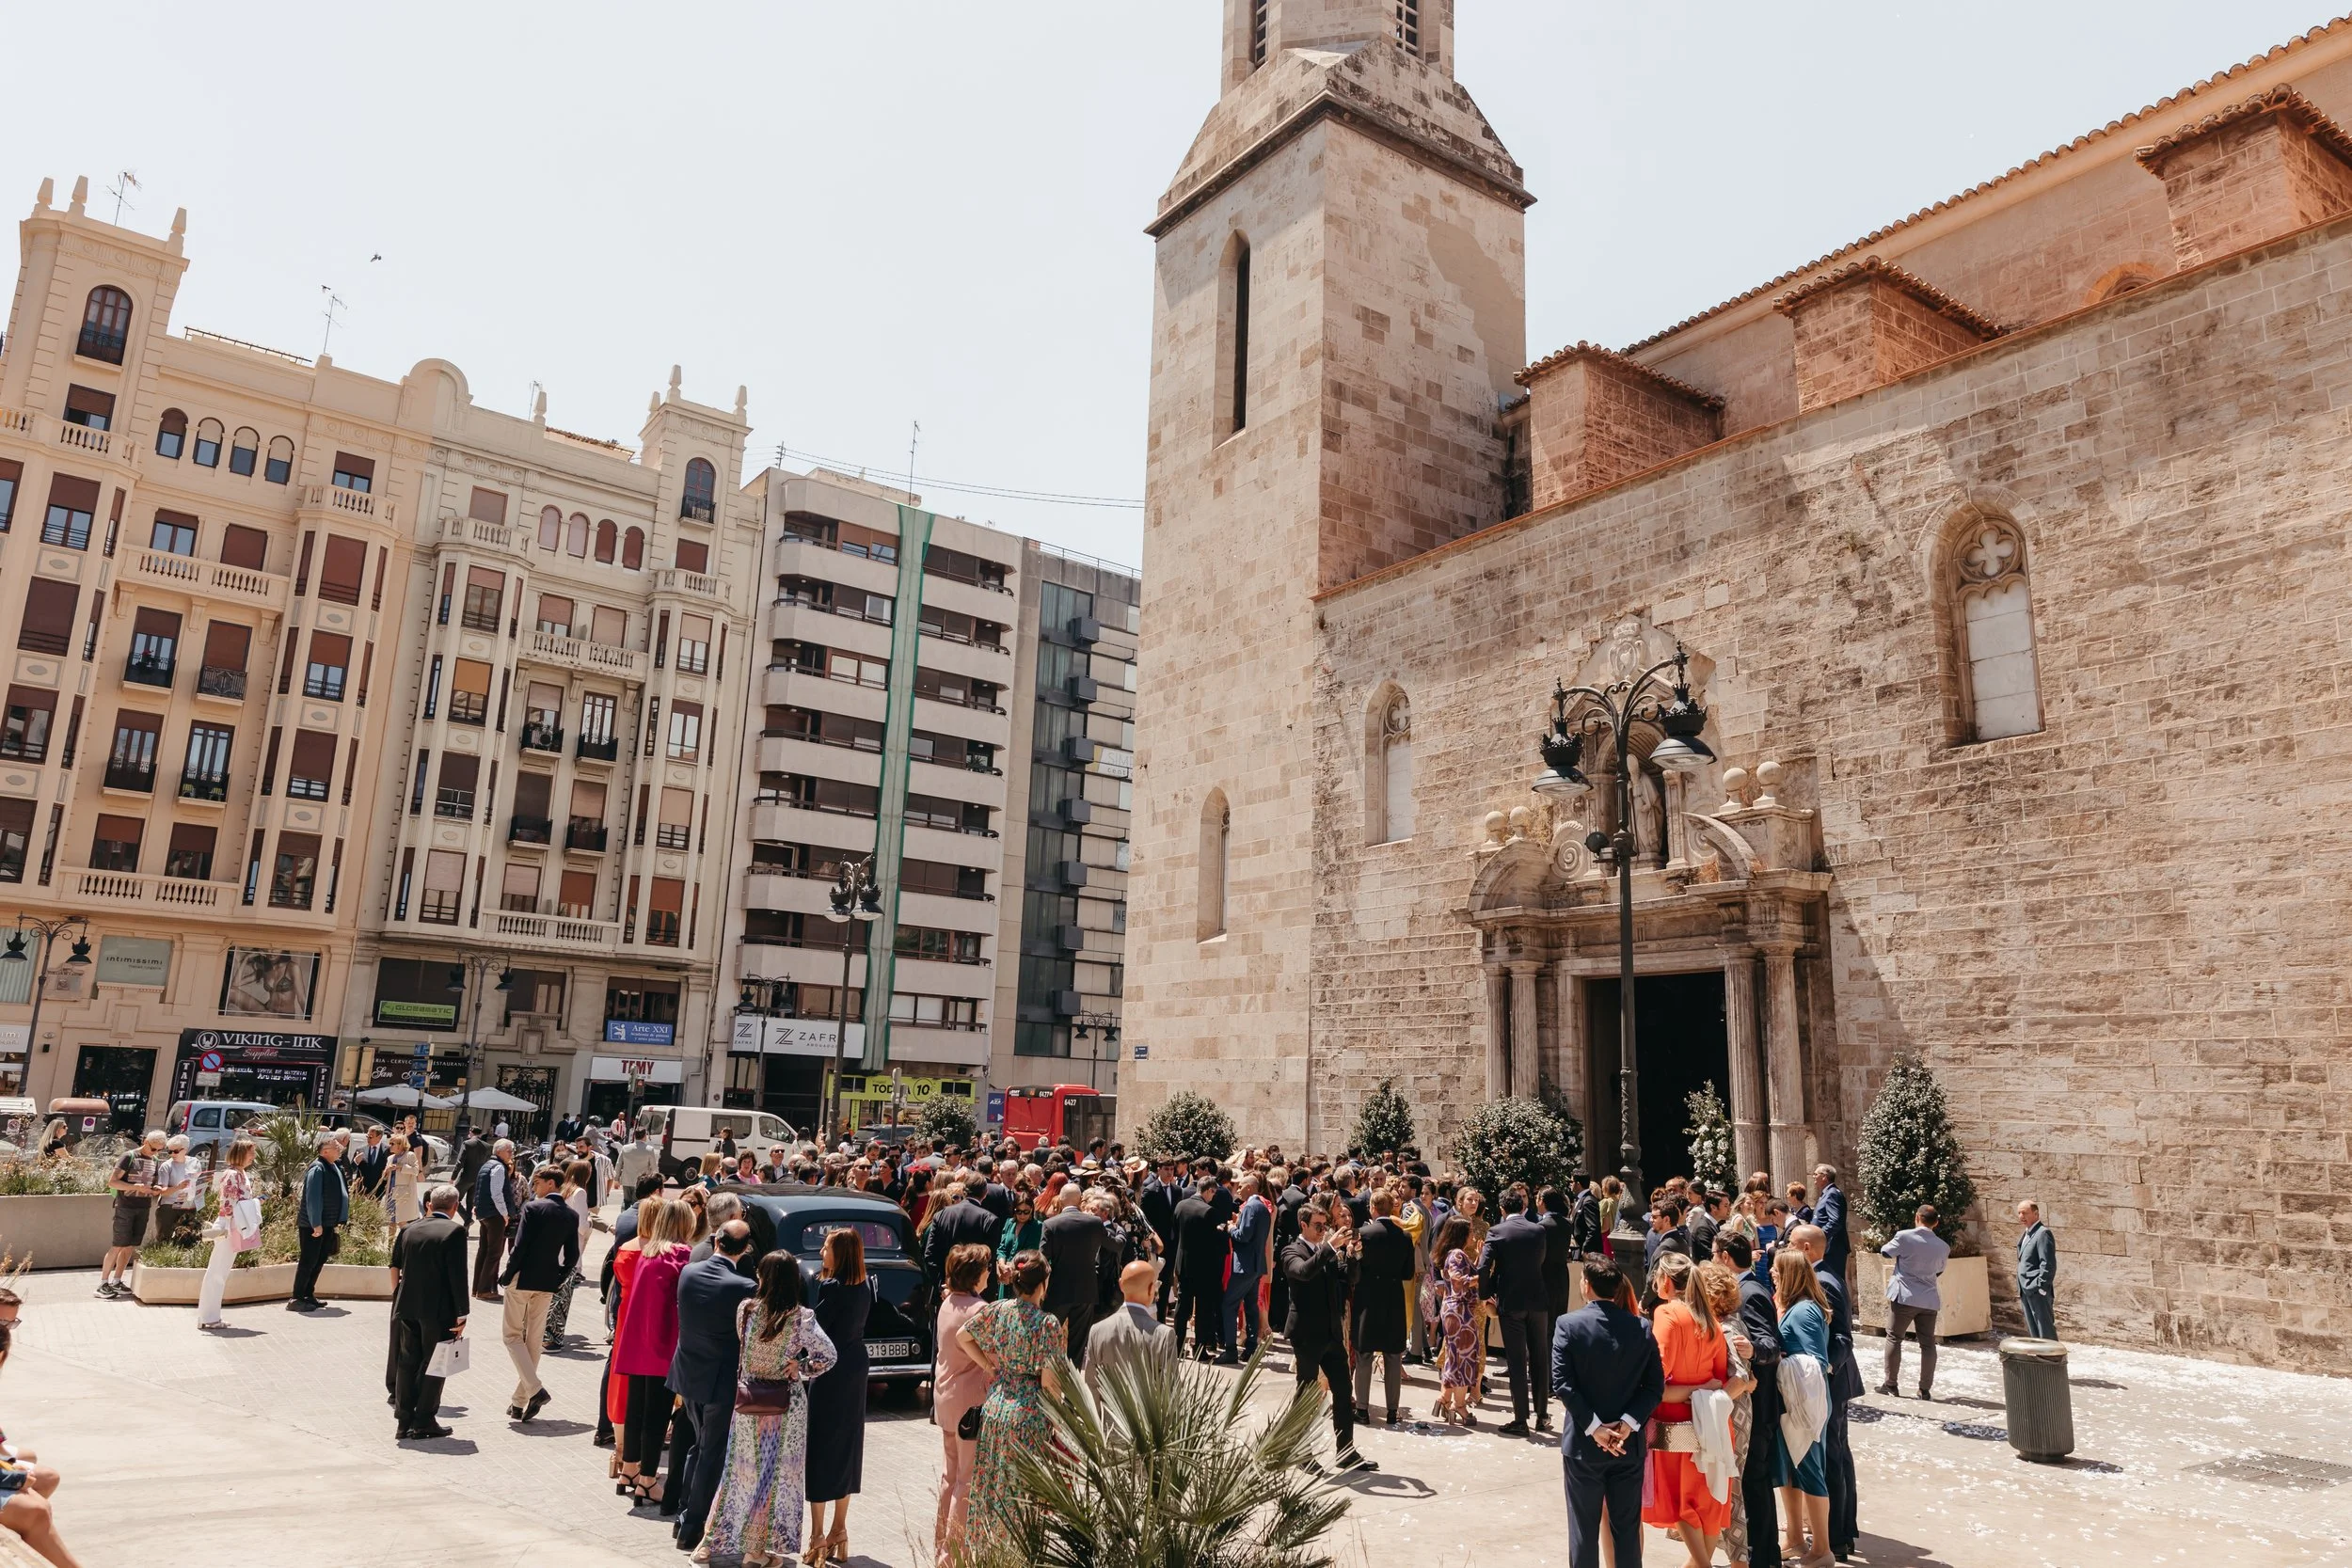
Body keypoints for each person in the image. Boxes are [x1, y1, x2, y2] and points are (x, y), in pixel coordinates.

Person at [692, 1250, 836, 1566]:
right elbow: (829, 1355)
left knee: (737, 1472)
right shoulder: (802, 1317)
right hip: (785, 1408)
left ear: (765, 1277)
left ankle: (708, 1543)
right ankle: (756, 1552)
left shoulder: (746, 1310)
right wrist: (799, 1368)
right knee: (774, 1478)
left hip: (748, 1401)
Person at [1550, 1258, 1665, 1568]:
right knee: (1627, 1532)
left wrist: (1594, 1427)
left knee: (1583, 1532)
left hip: (1584, 1447)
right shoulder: (1641, 1327)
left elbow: (1562, 1383)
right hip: (1628, 1446)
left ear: (1586, 1285)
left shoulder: (1568, 1324)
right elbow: (1655, 1387)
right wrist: (1628, 1424)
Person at [957, 1250, 1065, 1559]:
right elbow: (1048, 1382)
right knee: (1020, 1493)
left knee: (993, 1486)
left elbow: (963, 1336)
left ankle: (989, 1553)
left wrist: (989, 1366)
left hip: (996, 1408)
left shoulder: (999, 1309)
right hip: (1028, 1414)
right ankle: (1016, 1556)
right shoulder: (1048, 1325)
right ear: (1043, 1284)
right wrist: (1058, 1421)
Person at [668, 1219, 759, 1553]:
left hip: (689, 1372)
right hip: (719, 1381)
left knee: (698, 1446)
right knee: (710, 1453)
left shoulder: (689, 1272)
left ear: (716, 1241)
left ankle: (683, 1516)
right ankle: (692, 1529)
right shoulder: (744, 1286)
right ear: (746, 1249)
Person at [1643, 1252, 1736, 1566]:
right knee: (1708, 1503)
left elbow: (1657, 1373)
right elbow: (1721, 1376)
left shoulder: (1668, 1313)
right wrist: (1698, 1389)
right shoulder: (1709, 1318)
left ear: (1666, 1281)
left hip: (1673, 1424)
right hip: (1710, 1420)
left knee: (1676, 1501)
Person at [1282, 1199, 1375, 1472]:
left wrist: (1355, 1255)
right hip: (1307, 1334)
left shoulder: (1328, 1251)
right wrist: (1330, 1247)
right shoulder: (1292, 1250)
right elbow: (1303, 1272)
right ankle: (1301, 1452)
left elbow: (1350, 1279)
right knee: (1307, 1394)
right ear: (1303, 1225)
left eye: (1325, 1226)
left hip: (1332, 1333)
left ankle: (1345, 1451)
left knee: (1344, 1391)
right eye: (1318, 1226)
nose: (1324, 1230)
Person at [614, 1197, 691, 1504]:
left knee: (636, 1409)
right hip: (663, 1343)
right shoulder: (681, 1255)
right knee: (657, 1414)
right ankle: (647, 1478)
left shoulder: (648, 1253)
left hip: (638, 1342)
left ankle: (629, 1469)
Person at [1791, 1222, 1861, 1560]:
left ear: (1806, 1249)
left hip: (1832, 1382)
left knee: (1833, 1456)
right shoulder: (1823, 1277)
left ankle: (1836, 1536)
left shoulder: (1824, 1281)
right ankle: (1843, 1532)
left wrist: (1822, 1371)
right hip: (1832, 1382)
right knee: (1838, 1453)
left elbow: (1843, 1339)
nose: (1785, 1248)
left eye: (1791, 1244)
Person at [805, 1227, 873, 1561]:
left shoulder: (830, 1288)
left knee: (820, 1445)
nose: (821, 1253)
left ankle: (818, 1535)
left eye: (826, 1248)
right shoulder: (866, 1286)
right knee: (847, 1443)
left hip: (830, 1369)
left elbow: (816, 1335)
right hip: (856, 1364)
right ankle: (840, 1528)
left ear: (840, 1254)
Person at [1719, 1233, 1783, 1568]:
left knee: (1755, 1483)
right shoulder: (1745, 1291)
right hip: (1753, 1406)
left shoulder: (1750, 1293)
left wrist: (1753, 1350)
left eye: (1715, 1255)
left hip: (1759, 1407)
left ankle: (1763, 1557)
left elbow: (1772, 1345)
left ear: (1727, 1257)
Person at [389, 1183, 469, 1441]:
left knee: (407, 1361)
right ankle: (424, 1419)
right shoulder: (454, 1231)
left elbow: (398, 1267)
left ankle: (403, 1421)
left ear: (430, 1205)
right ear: (455, 1207)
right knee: (436, 1364)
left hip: (407, 1307)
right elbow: (458, 1276)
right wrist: (462, 1313)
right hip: (439, 1311)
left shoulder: (409, 1229)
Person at [499, 1165, 580, 1421]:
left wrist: (507, 1273)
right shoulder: (571, 1215)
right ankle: (520, 1400)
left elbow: (520, 1247)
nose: (534, 1187)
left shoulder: (533, 1208)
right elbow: (572, 1255)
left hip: (523, 1278)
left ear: (552, 1184)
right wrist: (560, 1277)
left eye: (537, 1182)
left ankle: (534, 1389)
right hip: (547, 1282)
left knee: (512, 1336)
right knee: (533, 1341)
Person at [932, 1243, 996, 1566]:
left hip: (946, 1398)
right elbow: (994, 1356)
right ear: (975, 1274)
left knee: (950, 1476)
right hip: (970, 1404)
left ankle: (941, 1548)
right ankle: (954, 1555)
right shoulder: (979, 1310)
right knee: (966, 1479)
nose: (990, 1272)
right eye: (986, 1268)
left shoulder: (947, 1303)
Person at [1773, 1251, 1835, 1568]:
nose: (1772, 1273)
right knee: (1792, 1473)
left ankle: (1822, 1549)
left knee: (1810, 1473)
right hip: (1794, 1405)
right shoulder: (1798, 1308)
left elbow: (1817, 1363)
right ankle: (1795, 1537)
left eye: (1777, 1270)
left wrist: (1780, 1361)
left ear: (1790, 1275)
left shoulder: (1805, 1311)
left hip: (1804, 1408)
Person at [1479, 1188, 1554, 1436]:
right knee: (1540, 1357)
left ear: (1502, 1209)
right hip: (1538, 1299)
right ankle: (1542, 1415)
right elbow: (1541, 1261)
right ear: (1523, 1208)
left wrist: (1486, 1293)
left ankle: (1520, 1418)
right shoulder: (1538, 1229)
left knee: (1517, 1360)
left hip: (1511, 1301)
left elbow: (1484, 1266)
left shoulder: (1497, 1232)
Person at [1350, 1186, 1415, 1426]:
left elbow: (1353, 1269)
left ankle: (1363, 1410)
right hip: (1393, 1298)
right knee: (1392, 1356)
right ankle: (1392, 1411)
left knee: (1364, 1354)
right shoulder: (1405, 1237)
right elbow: (1408, 1273)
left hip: (1367, 1297)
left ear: (1372, 1208)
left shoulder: (1362, 1234)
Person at [1878, 1204, 1950, 1398]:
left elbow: (1885, 1251)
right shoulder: (1943, 1246)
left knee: (1894, 1337)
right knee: (1928, 1344)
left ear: (1917, 1217)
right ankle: (1924, 1389)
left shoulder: (1904, 1236)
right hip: (1928, 1298)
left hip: (1904, 1295)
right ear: (1936, 1223)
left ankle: (1891, 1384)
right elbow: (1939, 1270)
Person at [1086, 1258, 1177, 1397]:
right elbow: (1170, 1390)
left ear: (1121, 1285)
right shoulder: (1163, 1335)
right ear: (1151, 1289)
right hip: (1147, 1419)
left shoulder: (1097, 1331)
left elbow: (1092, 1385)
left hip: (1108, 1417)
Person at [1041, 1185, 1110, 1365]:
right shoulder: (1094, 1223)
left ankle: (1048, 1383)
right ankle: (1073, 1388)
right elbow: (1114, 1244)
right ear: (1080, 1200)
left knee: (1048, 1340)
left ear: (1060, 1199)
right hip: (1085, 1290)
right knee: (1078, 1345)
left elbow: (1042, 1259)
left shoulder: (1051, 1224)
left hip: (1058, 1290)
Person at [197, 1136, 261, 1331]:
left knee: (220, 1271)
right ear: (241, 1154)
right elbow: (228, 1204)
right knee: (217, 1271)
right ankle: (208, 1316)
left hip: (234, 1224)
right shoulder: (233, 1175)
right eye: (251, 1153)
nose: (253, 1157)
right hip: (230, 1225)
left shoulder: (239, 1174)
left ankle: (210, 1315)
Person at [100, 1131, 167, 1298]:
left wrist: (156, 1188)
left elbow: (154, 1182)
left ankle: (117, 1280)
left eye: (159, 1150)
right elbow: (113, 1182)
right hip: (125, 1206)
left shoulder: (155, 1160)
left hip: (143, 1207)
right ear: (145, 1141)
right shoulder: (129, 1156)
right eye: (153, 1149)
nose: (155, 1153)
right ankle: (103, 1283)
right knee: (118, 1245)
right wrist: (136, 1187)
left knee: (130, 1246)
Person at [1171, 1175, 1229, 1360]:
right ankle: (1200, 1348)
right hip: (1204, 1268)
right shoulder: (1209, 1211)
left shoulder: (1181, 1205)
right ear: (1209, 1191)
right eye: (1213, 1193)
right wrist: (1223, 1231)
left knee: (1182, 1306)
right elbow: (1216, 1242)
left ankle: (1178, 1345)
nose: (1213, 1196)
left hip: (1184, 1264)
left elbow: (1175, 1232)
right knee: (1204, 1309)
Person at [291, 1132, 349, 1311]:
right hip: (313, 1225)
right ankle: (297, 1298)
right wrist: (316, 1223)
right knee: (308, 1261)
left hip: (327, 1223)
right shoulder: (318, 1168)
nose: (339, 1149)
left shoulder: (332, 1166)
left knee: (319, 1259)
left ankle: (308, 1294)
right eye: (335, 1147)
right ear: (324, 1151)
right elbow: (313, 1198)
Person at [1430, 1215, 1480, 1425]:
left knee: (1453, 1356)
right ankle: (1460, 1406)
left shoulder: (1452, 1254)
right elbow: (1459, 1282)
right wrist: (1482, 1277)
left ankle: (1444, 1399)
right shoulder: (1457, 1254)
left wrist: (1477, 1263)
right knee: (1464, 1358)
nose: (1472, 1235)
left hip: (1453, 1310)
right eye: (1469, 1231)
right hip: (1460, 1312)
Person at [543, 1159, 596, 1350]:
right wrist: (590, 1223)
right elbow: (581, 1226)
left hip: (554, 1249)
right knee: (562, 1298)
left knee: (548, 1294)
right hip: (570, 1250)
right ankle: (552, 1338)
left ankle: (541, 1332)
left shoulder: (564, 1189)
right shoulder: (579, 1192)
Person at [1219, 1173, 1271, 1364]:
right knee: (1250, 1307)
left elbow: (1243, 1235)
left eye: (1241, 1186)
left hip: (1245, 1265)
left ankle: (1231, 1349)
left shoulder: (1250, 1206)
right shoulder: (1263, 1207)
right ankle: (1251, 1347)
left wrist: (1230, 1228)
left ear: (1250, 1187)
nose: (1238, 1189)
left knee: (1229, 1305)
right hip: (1256, 1265)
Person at [470, 1138, 514, 1302]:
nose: (511, 1154)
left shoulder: (486, 1165)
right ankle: (485, 1289)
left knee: (484, 1251)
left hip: (484, 1213)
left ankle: (477, 1288)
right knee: (494, 1252)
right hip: (494, 1214)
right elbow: (497, 1193)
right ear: (499, 1151)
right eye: (509, 1151)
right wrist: (504, 1213)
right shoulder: (498, 1167)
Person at [2016, 1199, 2057, 1339]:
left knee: (2045, 1329)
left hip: (2037, 1290)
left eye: (2025, 1213)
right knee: (2034, 1331)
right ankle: (2039, 1360)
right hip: (2026, 1289)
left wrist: (2041, 1287)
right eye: (2019, 1213)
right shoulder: (2026, 1234)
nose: (2021, 1216)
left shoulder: (2043, 1233)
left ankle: (2052, 1359)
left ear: (2036, 1214)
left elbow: (2048, 1263)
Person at [993, 1192, 1042, 1300]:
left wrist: (1012, 1269)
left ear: (1032, 1211)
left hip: (1023, 1279)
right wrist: (1002, 1265)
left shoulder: (1037, 1226)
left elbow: (1031, 1253)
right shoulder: (1009, 1222)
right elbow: (1002, 1248)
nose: (1022, 1215)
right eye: (1018, 1211)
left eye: (1026, 1212)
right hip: (1005, 1275)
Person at [1809, 1165, 1849, 1280]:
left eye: (1816, 1174)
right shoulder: (1826, 1194)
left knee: (1832, 1280)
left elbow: (1835, 1221)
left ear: (1824, 1177)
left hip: (1832, 1248)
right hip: (1826, 1248)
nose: (1814, 1177)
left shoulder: (1832, 1194)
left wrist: (1819, 1237)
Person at [385, 1134, 424, 1230]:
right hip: (391, 1192)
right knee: (391, 1220)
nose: (390, 1145)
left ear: (400, 1145)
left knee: (402, 1221)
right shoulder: (390, 1158)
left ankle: (403, 1242)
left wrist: (401, 1166)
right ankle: (390, 1244)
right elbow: (385, 1176)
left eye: (392, 1143)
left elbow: (415, 1171)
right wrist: (387, 1170)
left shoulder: (410, 1155)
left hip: (403, 1193)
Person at [613, 1122, 660, 1195]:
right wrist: (657, 1182)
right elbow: (654, 1167)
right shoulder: (649, 1150)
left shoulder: (625, 1148)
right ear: (645, 1136)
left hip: (626, 1180)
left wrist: (616, 1179)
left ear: (634, 1136)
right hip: (642, 1182)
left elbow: (619, 1164)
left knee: (626, 1201)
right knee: (638, 1202)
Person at [454, 1129, 491, 1221]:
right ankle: (467, 1225)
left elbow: (460, 1162)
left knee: (454, 1199)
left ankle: (467, 1218)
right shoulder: (487, 1146)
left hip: (465, 1177)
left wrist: (453, 1177)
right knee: (470, 1202)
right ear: (481, 1134)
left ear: (470, 1132)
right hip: (478, 1178)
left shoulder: (467, 1143)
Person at [351, 1126, 392, 1200]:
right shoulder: (360, 1150)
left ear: (379, 1137)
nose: (368, 1139)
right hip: (362, 1191)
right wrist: (356, 1161)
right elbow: (351, 1169)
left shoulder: (388, 1150)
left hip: (379, 1190)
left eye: (370, 1137)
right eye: (367, 1136)